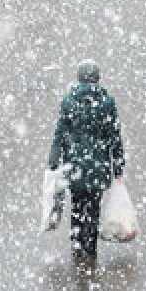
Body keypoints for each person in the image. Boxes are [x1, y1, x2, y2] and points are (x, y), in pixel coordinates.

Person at [47, 60, 125, 261]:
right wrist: (118, 166)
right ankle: (90, 247)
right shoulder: (107, 103)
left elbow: (60, 134)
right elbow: (114, 137)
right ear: (97, 78)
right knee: (93, 207)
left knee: (77, 205)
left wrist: (54, 159)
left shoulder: (69, 101)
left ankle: (77, 244)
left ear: (79, 77)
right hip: (98, 166)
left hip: (74, 166)